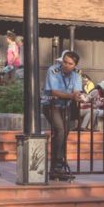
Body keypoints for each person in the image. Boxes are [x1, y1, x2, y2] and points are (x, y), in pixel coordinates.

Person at [44, 50, 83, 180]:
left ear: (75, 66)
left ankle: (56, 167)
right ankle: (58, 164)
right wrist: (72, 96)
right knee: (60, 131)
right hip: (51, 104)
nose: (66, 65)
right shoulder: (53, 70)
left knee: (63, 133)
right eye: (64, 62)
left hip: (65, 106)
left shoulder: (77, 75)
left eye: (70, 63)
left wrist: (79, 96)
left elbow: (77, 92)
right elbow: (54, 92)